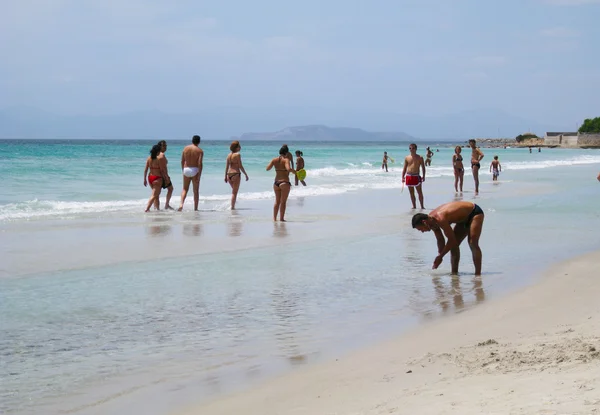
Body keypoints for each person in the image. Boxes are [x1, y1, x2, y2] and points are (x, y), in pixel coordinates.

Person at [412, 201, 485, 275]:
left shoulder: (440, 218)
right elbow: (440, 240)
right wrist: (439, 255)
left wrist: (441, 256)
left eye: (420, 229)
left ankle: (477, 275)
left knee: (472, 243)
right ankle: (454, 274)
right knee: (453, 247)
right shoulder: (431, 222)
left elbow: (451, 240)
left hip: (474, 212)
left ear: (424, 222)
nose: (422, 231)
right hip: (462, 220)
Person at [266, 146, 296, 221]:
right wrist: (295, 172)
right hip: (284, 182)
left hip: (276, 183)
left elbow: (267, 168)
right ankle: (281, 219)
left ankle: (274, 218)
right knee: (283, 202)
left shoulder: (274, 160)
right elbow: (288, 169)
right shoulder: (286, 160)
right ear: (286, 153)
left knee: (277, 201)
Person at [178, 135, 204, 211]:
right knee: (195, 191)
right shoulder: (200, 151)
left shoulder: (185, 148)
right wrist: (199, 175)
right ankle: (195, 208)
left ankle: (181, 204)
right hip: (195, 170)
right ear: (199, 142)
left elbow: (182, 161)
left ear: (192, 140)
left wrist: (183, 170)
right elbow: (200, 163)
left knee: (184, 189)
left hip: (186, 169)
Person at [224, 140, 249, 210]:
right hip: (236, 174)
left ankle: (233, 204)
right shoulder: (237, 155)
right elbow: (240, 166)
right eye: (239, 146)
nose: (240, 148)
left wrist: (225, 176)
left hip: (229, 174)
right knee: (234, 192)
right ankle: (232, 207)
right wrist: (246, 174)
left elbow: (226, 166)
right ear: (236, 147)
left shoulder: (228, 155)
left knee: (234, 191)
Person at [402, 143, 426, 209]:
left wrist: (424, 176)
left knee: (419, 192)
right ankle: (414, 206)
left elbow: (423, 168)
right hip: (409, 176)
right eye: (410, 148)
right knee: (411, 193)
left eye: (413, 148)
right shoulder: (407, 157)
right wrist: (402, 177)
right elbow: (404, 168)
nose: (411, 150)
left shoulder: (420, 157)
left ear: (416, 149)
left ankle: (422, 206)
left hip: (416, 176)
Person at [143, 144, 166, 212]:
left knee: (156, 195)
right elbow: (162, 170)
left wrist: (144, 179)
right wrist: (165, 178)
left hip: (150, 178)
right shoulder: (158, 159)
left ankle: (157, 209)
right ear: (157, 151)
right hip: (157, 178)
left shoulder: (149, 158)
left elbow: (146, 169)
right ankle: (147, 209)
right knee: (154, 195)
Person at [156, 140, 174, 210]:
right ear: (160, 146)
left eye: (166, 145)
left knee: (157, 193)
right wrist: (166, 177)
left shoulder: (156, 154)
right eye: (164, 146)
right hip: (162, 176)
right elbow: (162, 169)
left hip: (158, 175)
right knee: (170, 189)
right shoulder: (161, 155)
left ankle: (157, 208)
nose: (165, 147)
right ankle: (166, 205)